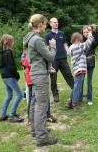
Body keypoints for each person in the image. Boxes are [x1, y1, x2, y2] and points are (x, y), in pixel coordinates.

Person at [23, 14, 57, 146]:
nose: (46, 26)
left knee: (34, 103)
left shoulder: (30, 37)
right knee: (41, 106)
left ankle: (36, 130)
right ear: (40, 24)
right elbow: (50, 57)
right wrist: (53, 46)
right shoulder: (37, 39)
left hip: (35, 74)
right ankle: (42, 137)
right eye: (45, 24)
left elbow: (39, 57)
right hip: (40, 76)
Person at [21, 51, 57, 123]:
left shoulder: (30, 55)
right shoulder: (30, 55)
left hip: (34, 79)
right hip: (33, 80)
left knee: (43, 98)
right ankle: (32, 119)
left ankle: (46, 115)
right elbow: (37, 65)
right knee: (33, 100)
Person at [45, 17, 74, 102]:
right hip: (53, 60)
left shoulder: (62, 33)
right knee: (53, 78)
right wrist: (51, 45)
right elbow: (46, 48)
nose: (56, 24)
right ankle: (55, 94)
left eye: (57, 22)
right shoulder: (47, 35)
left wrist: (69, 53)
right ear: (50, 24)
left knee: (68, 74)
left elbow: (65, 45)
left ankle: (76, 90)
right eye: (54, 22)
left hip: (63, 59)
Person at [0, 34, 24, 123]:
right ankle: (12, 115)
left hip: (4, 77)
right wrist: (17, 75)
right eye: (12, 41)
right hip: (10, 76)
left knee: (9, 95)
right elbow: (11, 66)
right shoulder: (8, 52)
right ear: (9, 42)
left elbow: (1, 66)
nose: (13, 43)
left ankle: (2, 115)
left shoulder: (2, 52)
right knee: (20, 94)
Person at [68, 32, 94, 109]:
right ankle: (76, 104)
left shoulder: (71, 47)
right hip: (80, 69)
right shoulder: (79, 46)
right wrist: (90, 34)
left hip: (76, 69)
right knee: (77, 87)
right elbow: (88, 43)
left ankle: (69, 101)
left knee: (76, 85)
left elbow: (71, 54)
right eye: (80, 39)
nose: (81, 40)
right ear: (76, 39)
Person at [80, 25, 98, 105]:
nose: (85, 34)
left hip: (90, 62)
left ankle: (89, 98)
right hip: (81, 63)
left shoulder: (92, 41)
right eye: (84, 32)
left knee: (89, 81)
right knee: (80, 81)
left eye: (87, 32)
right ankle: (79, 98)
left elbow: (97, 41)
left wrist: (94, 31)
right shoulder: (80, 41)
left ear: (89, 32)